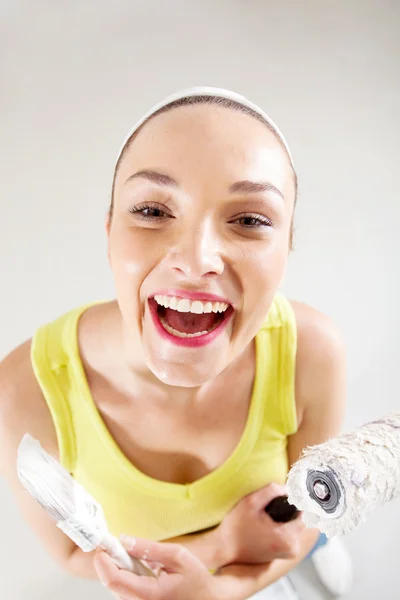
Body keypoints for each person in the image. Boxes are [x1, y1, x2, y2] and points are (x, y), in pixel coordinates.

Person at [0, 87, 353, 599]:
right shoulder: (23, 389)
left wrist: (221, 592)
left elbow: (314, 513)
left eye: (250, 220)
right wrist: (220, 547)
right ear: (108, 232)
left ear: (288, 247)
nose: (196, 259)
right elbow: (73, 552)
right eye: (152, 210)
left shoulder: (313, 352)